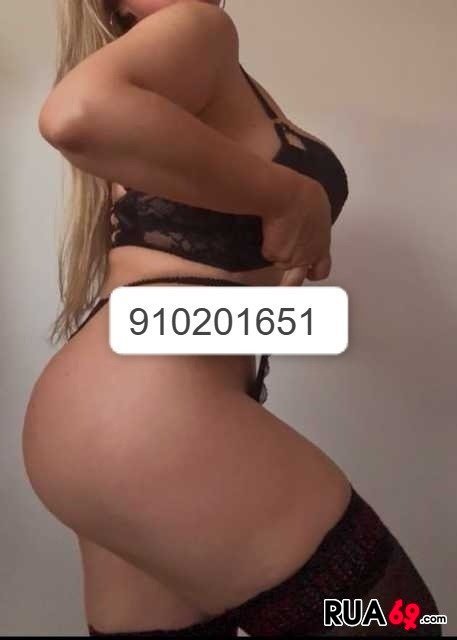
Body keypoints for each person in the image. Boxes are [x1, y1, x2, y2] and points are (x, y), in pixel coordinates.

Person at [22, 0, 441, 636]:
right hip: (149, 416)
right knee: (400, 622)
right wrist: (290, 195)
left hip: (87, 427)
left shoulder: (177, 76)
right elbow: (74, 114)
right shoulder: (199, 25)